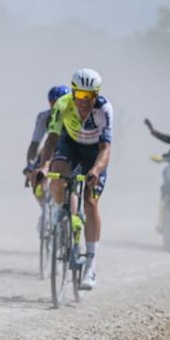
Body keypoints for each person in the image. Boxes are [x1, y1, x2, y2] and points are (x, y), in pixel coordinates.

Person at [38, 69, 112, 291]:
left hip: (94, 154)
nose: (85, 102)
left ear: (97, 95)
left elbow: (106, 149)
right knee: (56, 175)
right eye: (81, 96)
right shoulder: (62, 104)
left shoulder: (104, 109)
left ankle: (90, 265)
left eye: (91, 96)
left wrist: (97, 171)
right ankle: (63, 216)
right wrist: (43, 166)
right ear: (73, 93)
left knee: (90, 203)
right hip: (71, 147)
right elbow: (51, 141)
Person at [24, 85, 71, 231]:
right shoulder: (44, 116)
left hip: (70, 151)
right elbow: (34, 144)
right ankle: (45, 210)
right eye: (53, 104)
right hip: (50, 150)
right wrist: (30, 164)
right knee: (35, 176)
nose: (57, 107)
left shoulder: (75, 114)